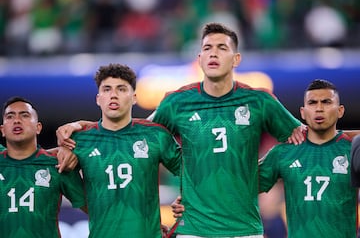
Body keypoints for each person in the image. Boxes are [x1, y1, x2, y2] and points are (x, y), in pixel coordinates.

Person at [57, 23, 305, 238]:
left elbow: (302, 140)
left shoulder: (260, 101)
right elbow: (133, 133)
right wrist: (82, 127)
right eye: (207, 48)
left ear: (236, 58)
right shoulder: (177, 102)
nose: (213, 54)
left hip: (246, 227)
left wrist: (261, 178)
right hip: (194, 228)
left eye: (222, 48)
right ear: (199, 59)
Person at [56, 63, 181, 238]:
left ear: (134, 97)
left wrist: (186, 200)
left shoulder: (155, 135)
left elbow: (191, 173)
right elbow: (77, 196)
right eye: (107, 89)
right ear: (98, 98)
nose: (113, 95)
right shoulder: (79, 141)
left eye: (121, 89)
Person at [259, 79, 358, 237]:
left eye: (326, 102)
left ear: (340, 111)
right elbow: (243, 187)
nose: (319, 108)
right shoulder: (283, 153)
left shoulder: (353, 149)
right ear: (303, 112)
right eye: (312, 103)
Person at [0, 96, 87, 238]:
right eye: (10, 116)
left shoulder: (57, 164)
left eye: (25, 115)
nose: (16, 120)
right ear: (2, 130)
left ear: (38, 127)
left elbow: (95, 211)